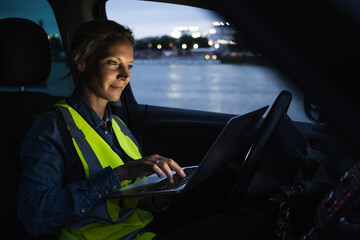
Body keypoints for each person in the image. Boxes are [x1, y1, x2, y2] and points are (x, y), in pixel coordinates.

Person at [18, 20, 272, 240]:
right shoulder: (50, 126)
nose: (125, 75)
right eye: (113, 63)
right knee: (253, 222)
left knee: (235, 191)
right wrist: (120, 173)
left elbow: (130, 199)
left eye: (129, 66)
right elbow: (35, 216)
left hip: (143, 232)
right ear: (81, 62)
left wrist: (161, 194)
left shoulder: (117, 125)